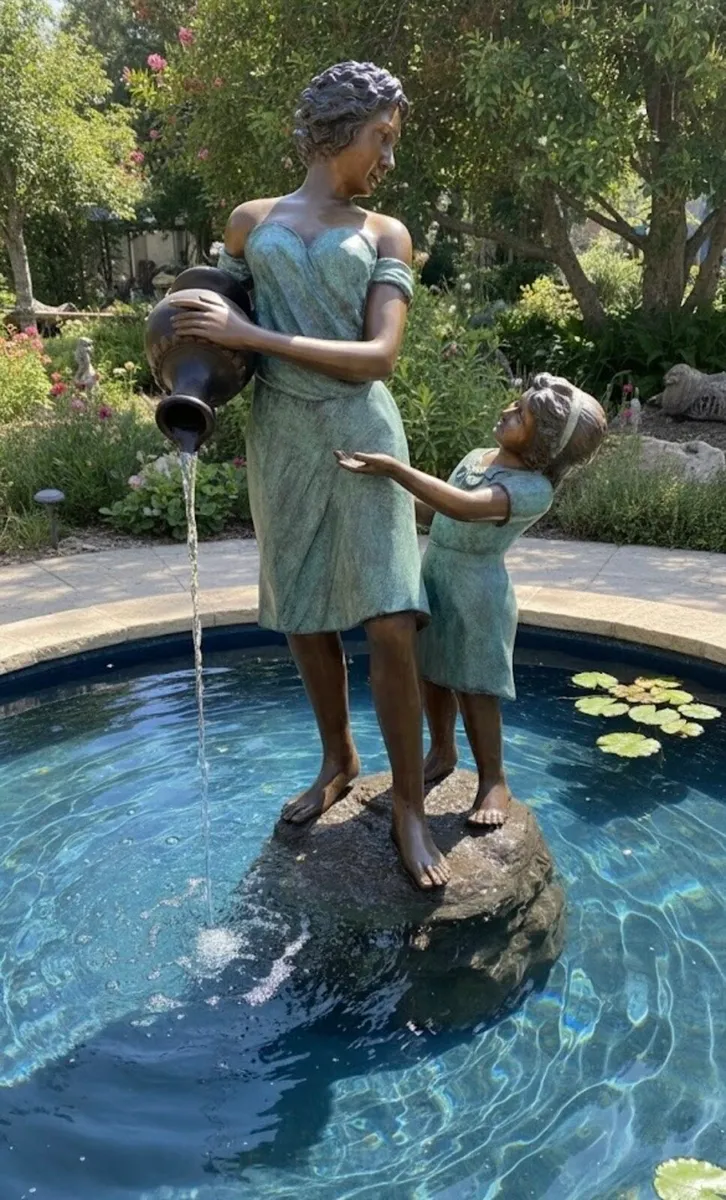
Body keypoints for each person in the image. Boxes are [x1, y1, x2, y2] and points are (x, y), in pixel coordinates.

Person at [168, 61, 450, 890]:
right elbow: (212, 330)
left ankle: (405, 801)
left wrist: (257, 340)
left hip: (362, 437)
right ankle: (338, 759)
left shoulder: (386, 233)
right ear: (338, 130)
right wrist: (188, 355)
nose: (389, 160)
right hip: (283, 438)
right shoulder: (249, 224)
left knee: (392, 618)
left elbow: (378, 358)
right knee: (302, 612)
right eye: (383, 139)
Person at [336, 373, 607, 828]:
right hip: (437, 574)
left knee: (474, 686)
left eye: (520, 415)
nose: (506, 412)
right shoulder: (478, 458)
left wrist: (397, 469)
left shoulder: (532, 491)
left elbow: (464, 505)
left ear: (543, 441)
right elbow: (440, 510)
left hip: (478, 592)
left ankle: (493, 780)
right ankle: (441, 751)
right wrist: (385, 495)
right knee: (433, 672)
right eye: (515, 403)